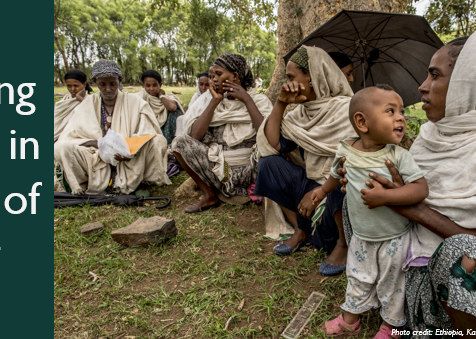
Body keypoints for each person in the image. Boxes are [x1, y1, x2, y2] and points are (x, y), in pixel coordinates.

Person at [338, 33, 476, 336]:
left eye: (435, 75)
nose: (422, 86)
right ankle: (382, 303)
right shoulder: (430, 136)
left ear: (470, 83)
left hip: (471, 290)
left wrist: (409, 206)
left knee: (460, 255)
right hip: (410, 281)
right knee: (358, 200)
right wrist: (374, 188)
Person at [317, 85, 428, 338]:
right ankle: (350, 319)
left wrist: (386, 196)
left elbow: (421, 189)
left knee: (392, 284)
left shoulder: (399, 156)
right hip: (361, 235)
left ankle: (392, 327)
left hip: (395, 237)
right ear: (362, 122)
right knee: (357, 276)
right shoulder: (345, 149)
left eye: (402, 111)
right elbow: (336, 175)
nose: (401, 117)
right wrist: (322, 192)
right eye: (391, 111)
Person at [254, 45, 353, 276]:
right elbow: (273, 145)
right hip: (310, 187)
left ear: (312, 76)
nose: (287, 82)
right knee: (269, 165)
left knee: (344, 177)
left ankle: (343, 244)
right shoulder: (300, 113)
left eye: (291, 77)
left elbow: (355, 160)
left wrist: (323, 191)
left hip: (336, 194)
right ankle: (302, 230)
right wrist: (281, 103)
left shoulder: (347, 109)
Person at [172, 53, 273, 213]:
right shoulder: (208, 100)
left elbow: (268, 137)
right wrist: (215, 101)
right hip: (219, 173)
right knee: (179, 143)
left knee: (269, 149)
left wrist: (247, 100)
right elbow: (195, 137)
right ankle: (209, 195)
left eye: (218, 74)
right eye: (212, 76)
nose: (213, 80)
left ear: (235, 76)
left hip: (252, 172)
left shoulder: (259, 101)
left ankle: (261, 194)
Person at [55, 60, 171, 194]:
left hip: (130, 157)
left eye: (112, 83)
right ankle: (87, 182)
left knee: (158, 141)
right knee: (60, 147)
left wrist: (129, 149)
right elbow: (70, 137)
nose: (108, 89)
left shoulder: (136, 102)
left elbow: (147, 132)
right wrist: (101, 143)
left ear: (120, 80)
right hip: (94, 157)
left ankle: (140, 181)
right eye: (102, 84)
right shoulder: (87, 104)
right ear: (95, 82)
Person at [136, 69, 184, 144]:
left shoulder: (167, 96)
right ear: (143, 85)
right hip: (148, 131)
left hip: (166, 131)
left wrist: (160, 95)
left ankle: (173, 143)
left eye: (154, 85)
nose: (151, 88)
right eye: (148, 85)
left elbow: (172, 107)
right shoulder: (141, 98)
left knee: (176, 111)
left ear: (160, 85)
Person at [54, 69, 93, 141]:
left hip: (78, 137)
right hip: (58, 137)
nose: (72, 89)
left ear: (84, 84)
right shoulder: (64, 101)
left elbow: (92, 115)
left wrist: (80, 99)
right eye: (69, 86)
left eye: (76, 85)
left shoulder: (91, 99)